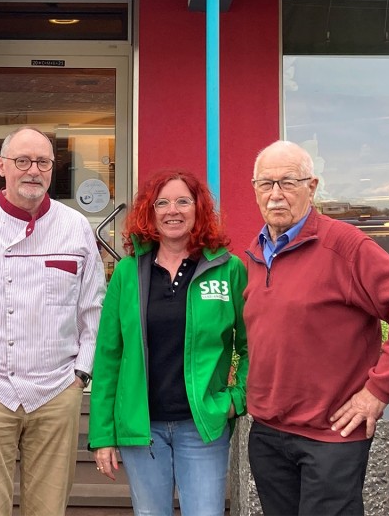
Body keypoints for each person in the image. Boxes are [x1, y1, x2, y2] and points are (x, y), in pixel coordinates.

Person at [243, 140, 389, 516]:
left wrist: (378, 390)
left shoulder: (343, 246)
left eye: (288, 182)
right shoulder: (255, 253)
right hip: (269, 432)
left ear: (312, 187)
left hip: (329, 436)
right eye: (265, 184)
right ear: (254, 189)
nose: (275, 194)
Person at [0, 126, 106, 516]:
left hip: (57, 391)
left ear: (52, 168)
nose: (33, 170)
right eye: (22, 161)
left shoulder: (75, 226)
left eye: (43, 162)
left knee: (48, 509)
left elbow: (93, 308)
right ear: (1, 167)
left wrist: (80, 375)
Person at [88, 169, 248, 516]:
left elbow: (251, 344)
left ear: (199, 210)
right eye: (162, 203)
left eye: (182, 202)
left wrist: (236, 398)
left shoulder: (228, 269)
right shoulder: (129, 273)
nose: (172, 210)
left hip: (202, 425)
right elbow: (108, 357)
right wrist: (102, 434)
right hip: (143, 430)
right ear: (151, 212)